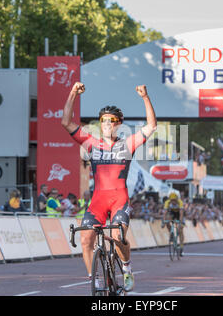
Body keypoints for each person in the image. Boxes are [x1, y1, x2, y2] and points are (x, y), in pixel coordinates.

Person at [61, 81, 157, 292]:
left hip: (119, 200)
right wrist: (72, 93)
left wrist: (145, 97)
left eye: (112, 120)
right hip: (98, 200)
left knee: (117, 236)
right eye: (103, 120)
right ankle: (93, 279)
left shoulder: (127, 144)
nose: (107, 123)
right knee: (86, 239)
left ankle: (126, 267)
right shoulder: (91, 144)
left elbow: (151, 126)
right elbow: (66, 122)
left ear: (119, 124)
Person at [163, 192, 185, 256]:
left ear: (177, 199)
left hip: (179, 214)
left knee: (180, 230)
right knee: (167, 220)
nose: (173, 202)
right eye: (172, 200)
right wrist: (164, 221)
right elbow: (165, 213)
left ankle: (181, 246)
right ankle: (172, 234)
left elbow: (181, 214)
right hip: (172, 213)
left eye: (174, 200)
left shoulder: (180, 202)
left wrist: (180, 223)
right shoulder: (167, 202)